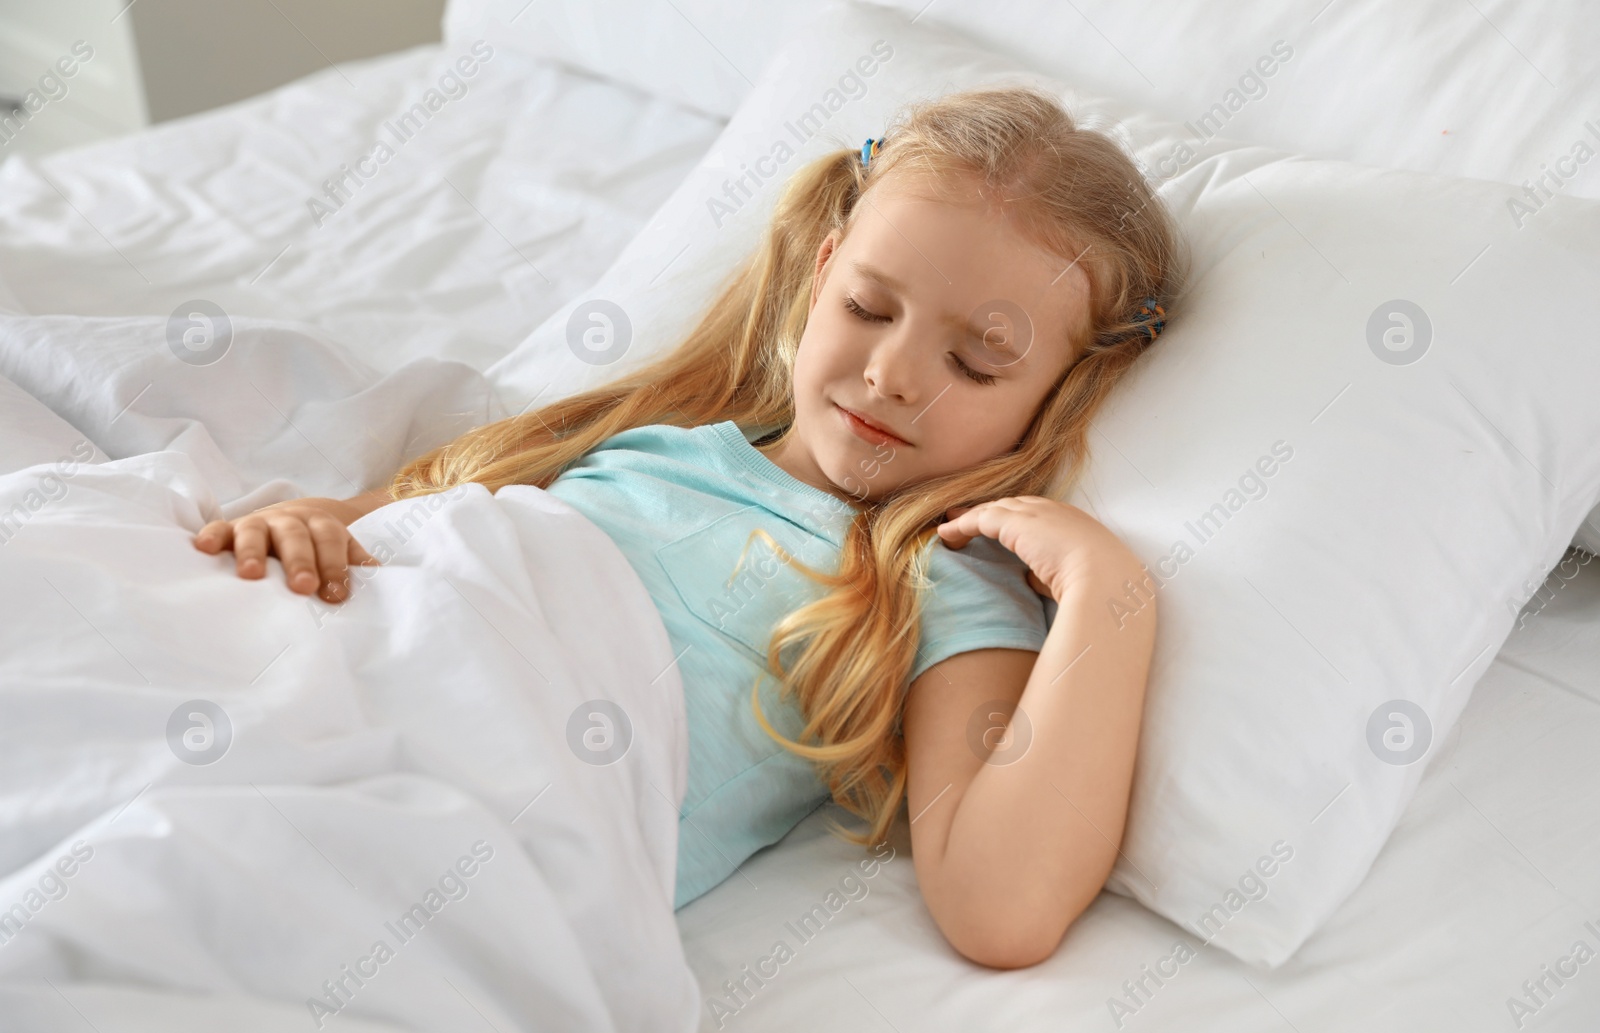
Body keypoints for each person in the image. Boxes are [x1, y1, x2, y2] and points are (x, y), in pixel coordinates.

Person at [191, 85, 1186, 969]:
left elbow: (999, 907)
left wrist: (1109, 600)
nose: (893, 373)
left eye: (976, 363)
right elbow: (386, 531)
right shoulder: (660, 442)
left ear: (1058, 395)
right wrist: (303, 523)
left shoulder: (934, 576)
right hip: (323, 674)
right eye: (869, 306)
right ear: (822, 268)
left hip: (468, 809)